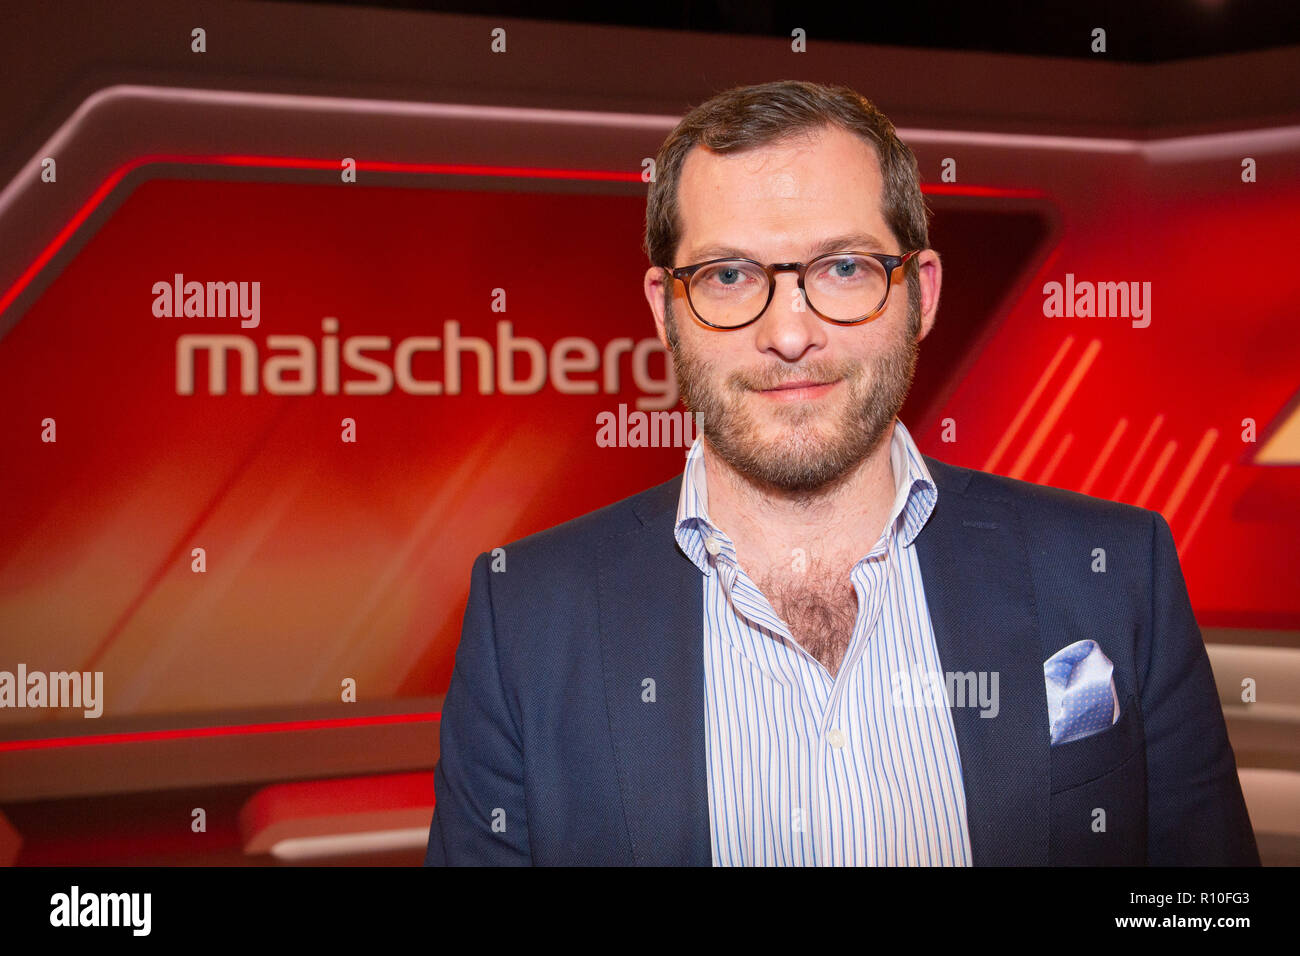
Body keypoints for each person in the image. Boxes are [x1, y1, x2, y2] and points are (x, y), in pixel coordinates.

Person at [424, 79, 1259, 866]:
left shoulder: (1113, 574)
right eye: (728, 275)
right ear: (663, 307)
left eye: (844, 268)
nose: (790, 333)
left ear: (921, 293)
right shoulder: (528, 619)